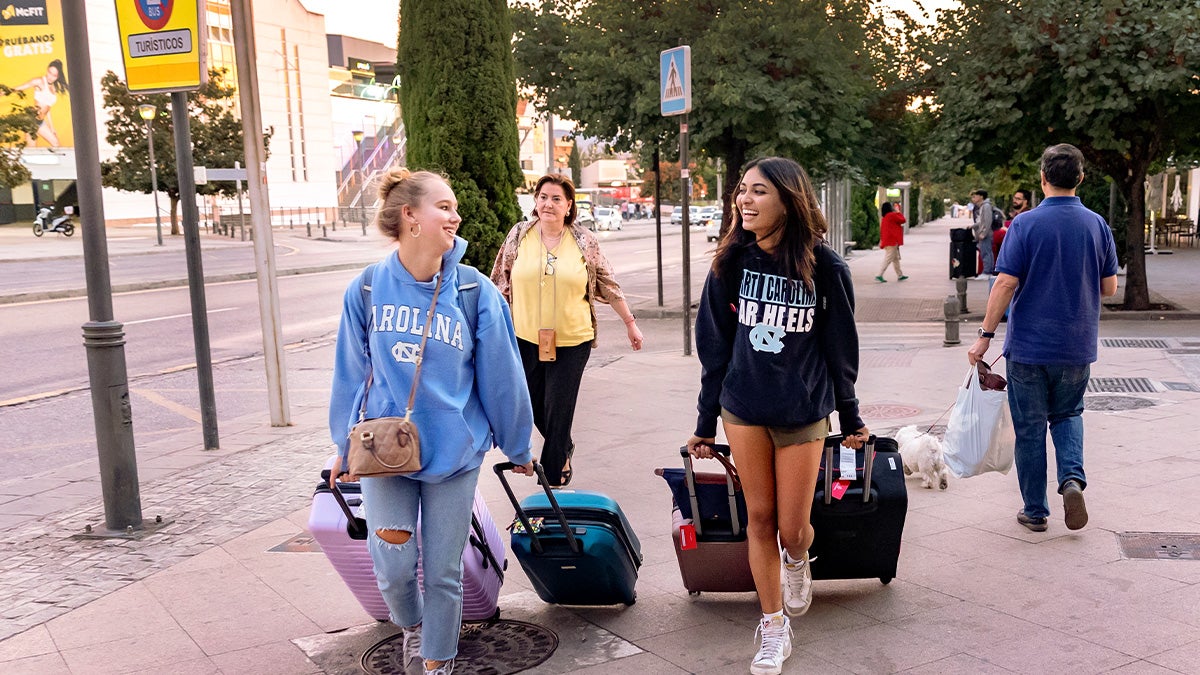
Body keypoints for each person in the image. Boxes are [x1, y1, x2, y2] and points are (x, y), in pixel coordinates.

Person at [329, 168, 536, 675]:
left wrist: (518, 445)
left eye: (454, 206)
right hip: (386, 453)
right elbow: (351, 373)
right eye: (444, 206)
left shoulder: (473, 291)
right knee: (393, 567)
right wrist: (342, 444)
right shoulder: (368, 289)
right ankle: (414, 625)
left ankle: (436, 663)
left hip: (454, 451)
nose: (456, 215)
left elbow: (502, 377)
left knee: (444, 571)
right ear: (410, 216)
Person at [686, 157, 868, 675]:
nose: (744, 200)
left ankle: (796, 559)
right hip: (742, 409)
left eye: (758, 191)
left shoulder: (826, 266)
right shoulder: (730, 262)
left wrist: (850, 416)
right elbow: (714, 348)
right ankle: (772, 626)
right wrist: (705, 421)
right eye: (741, 191)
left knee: (792, 529)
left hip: (803, 410)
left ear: (788, 199)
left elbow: (841, 347)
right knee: (759, 520)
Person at [968, 144, 1118, 534]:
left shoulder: (1025, 224)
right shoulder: (1097, 224)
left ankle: (1035, 511)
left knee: (1030, 427)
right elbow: (1110, 287)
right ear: (1081, 178)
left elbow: (1005, 283)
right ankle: (1071, 479)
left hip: (1029, 348)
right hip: (1076, 345)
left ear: (1042, 178)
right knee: (1068, 414)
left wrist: (984, 336)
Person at [491, 173, 643, 487]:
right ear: (535, 201)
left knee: (559, 407)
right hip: (525, 338)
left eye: (556, 198)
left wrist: (630, 323)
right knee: (532, 405)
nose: (548, 203)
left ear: (569, 205)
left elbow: (608, 283)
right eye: (543, 196)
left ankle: (552, 481)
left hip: (574, 338)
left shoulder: (584, 240)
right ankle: (563, 447)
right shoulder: (519, 235)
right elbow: (499, 282)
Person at [15, 60, 69, 148]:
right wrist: (5, 91)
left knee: (57, 145)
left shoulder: (54, 88)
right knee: (31, 152)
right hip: (31, 121)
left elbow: (47, 108)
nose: (50, 77)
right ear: (47, 70)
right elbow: (21, 87)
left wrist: (52, 127)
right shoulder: (40, 81)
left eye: (54, 75)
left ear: (58, 76)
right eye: (49, 72)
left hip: (40, 122)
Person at [875, 201, 908, 282]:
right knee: (888, 258)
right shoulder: (892, 215)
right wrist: (898, 211)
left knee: (895, 258)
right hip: (892, 241)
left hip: (888, 241)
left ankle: (900, 275)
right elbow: (903, 220)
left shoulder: (885, 217)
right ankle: (879, 275)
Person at [970, 189, 999, 276]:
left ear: (981, 197)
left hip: (985, 234)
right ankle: (988, 271)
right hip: (984, 232)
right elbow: (982, 221)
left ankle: (987, 272)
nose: (974, 198)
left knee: (986, 252)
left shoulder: (986, 206)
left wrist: (983, 233)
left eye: (976, 196)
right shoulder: (983, 206)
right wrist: (973, 226)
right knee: (986, 252)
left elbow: (987, 221)